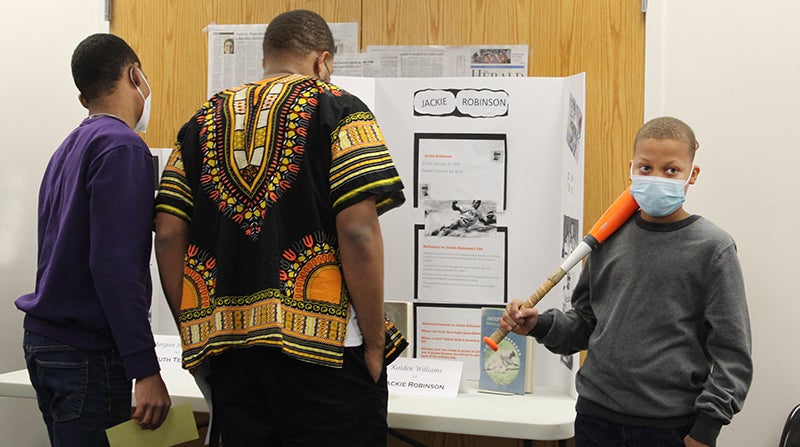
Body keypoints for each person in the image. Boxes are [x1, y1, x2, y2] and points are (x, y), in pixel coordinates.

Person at [153, 9, 406, 447]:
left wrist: (196, 337)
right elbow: (359, 232)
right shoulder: (339, 109)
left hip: (231, 352)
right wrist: (373, 342)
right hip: (326, 355)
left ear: (267, 56)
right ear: (322, 60)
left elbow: (169, 233)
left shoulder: (198, 123)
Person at [501, 117, 752, 447]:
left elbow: (733, 354)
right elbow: (587, 324)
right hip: (596, 416)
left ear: (693, 175)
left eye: (671, 170)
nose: (657, 178)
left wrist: (706, 430)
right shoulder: (607, 238)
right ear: (631, 168)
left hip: (669, 426)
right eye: (646, 168)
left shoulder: (713, 248)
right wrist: (540, 325)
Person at [15, 33, 171, 445]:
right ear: (134, 74)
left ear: (83, 98)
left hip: (46, 344)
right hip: (88, 353)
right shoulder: (123, 148)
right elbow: (114, 267)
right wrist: (146, 370)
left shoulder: (68, 147)